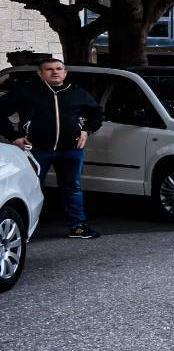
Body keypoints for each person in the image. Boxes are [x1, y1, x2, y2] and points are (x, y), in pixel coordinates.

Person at [1, 54, 103, 238]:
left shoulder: (77, 92)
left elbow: (97, 113)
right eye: (49, 69)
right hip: (36, 150)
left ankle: (78, 226)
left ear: (65, 72)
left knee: (72, 187)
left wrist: (86, 130)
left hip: (71, 150)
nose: (54, 72)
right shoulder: (26, 91)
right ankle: (24, 231)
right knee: (31, 187)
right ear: (41, 74)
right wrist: (14, 136)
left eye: (58, 69)